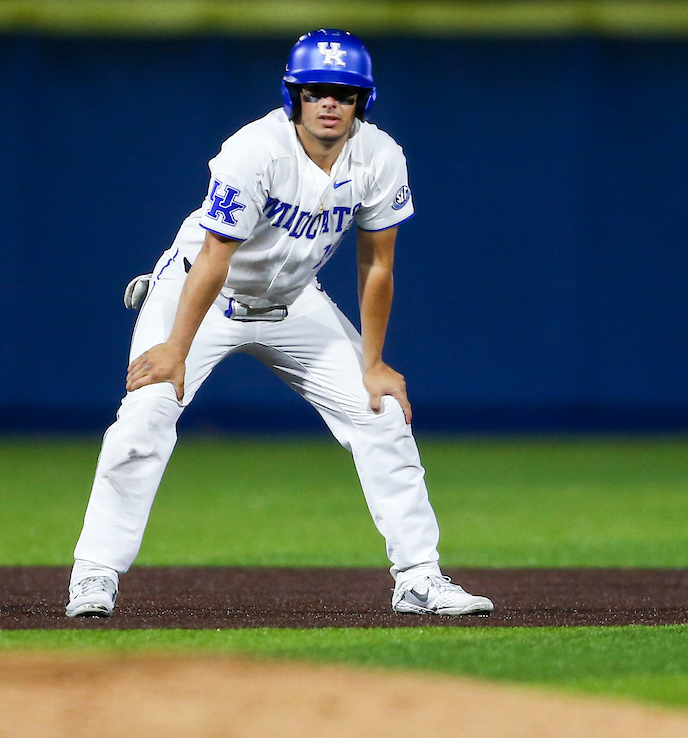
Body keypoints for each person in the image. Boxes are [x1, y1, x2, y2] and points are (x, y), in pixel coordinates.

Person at [65, 29, 493, 618]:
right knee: (146, 412)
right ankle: (94, 572)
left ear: (362, 101)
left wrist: (372, 364)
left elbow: (377, 264)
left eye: (344, 93)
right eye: (316, 90)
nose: (329, 103)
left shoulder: (380, 156)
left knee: (381, 411)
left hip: (294, 302)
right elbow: (215, 258)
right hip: (200, 294)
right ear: (294, 94)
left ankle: (419, 577)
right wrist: (175, 349)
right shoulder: (253, 150)